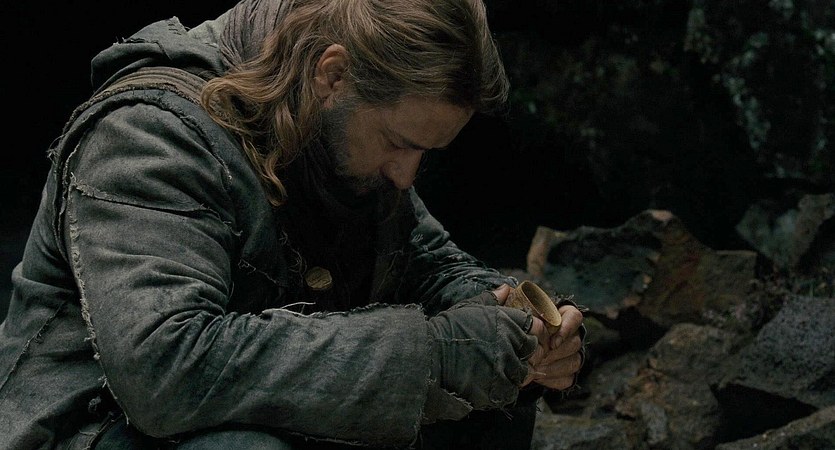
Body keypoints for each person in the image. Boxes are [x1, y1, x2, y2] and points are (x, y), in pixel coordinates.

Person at [0, 0, 586, 448]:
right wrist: (440, 355)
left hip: (237, 413)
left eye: (425, 153)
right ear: (334, 74)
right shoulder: (150, 134)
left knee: (488, 401)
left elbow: (429, 263)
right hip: (88, 430)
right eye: (398, 143)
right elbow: (165, 370)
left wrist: (517, 327)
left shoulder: (335, 124)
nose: (407, 175)